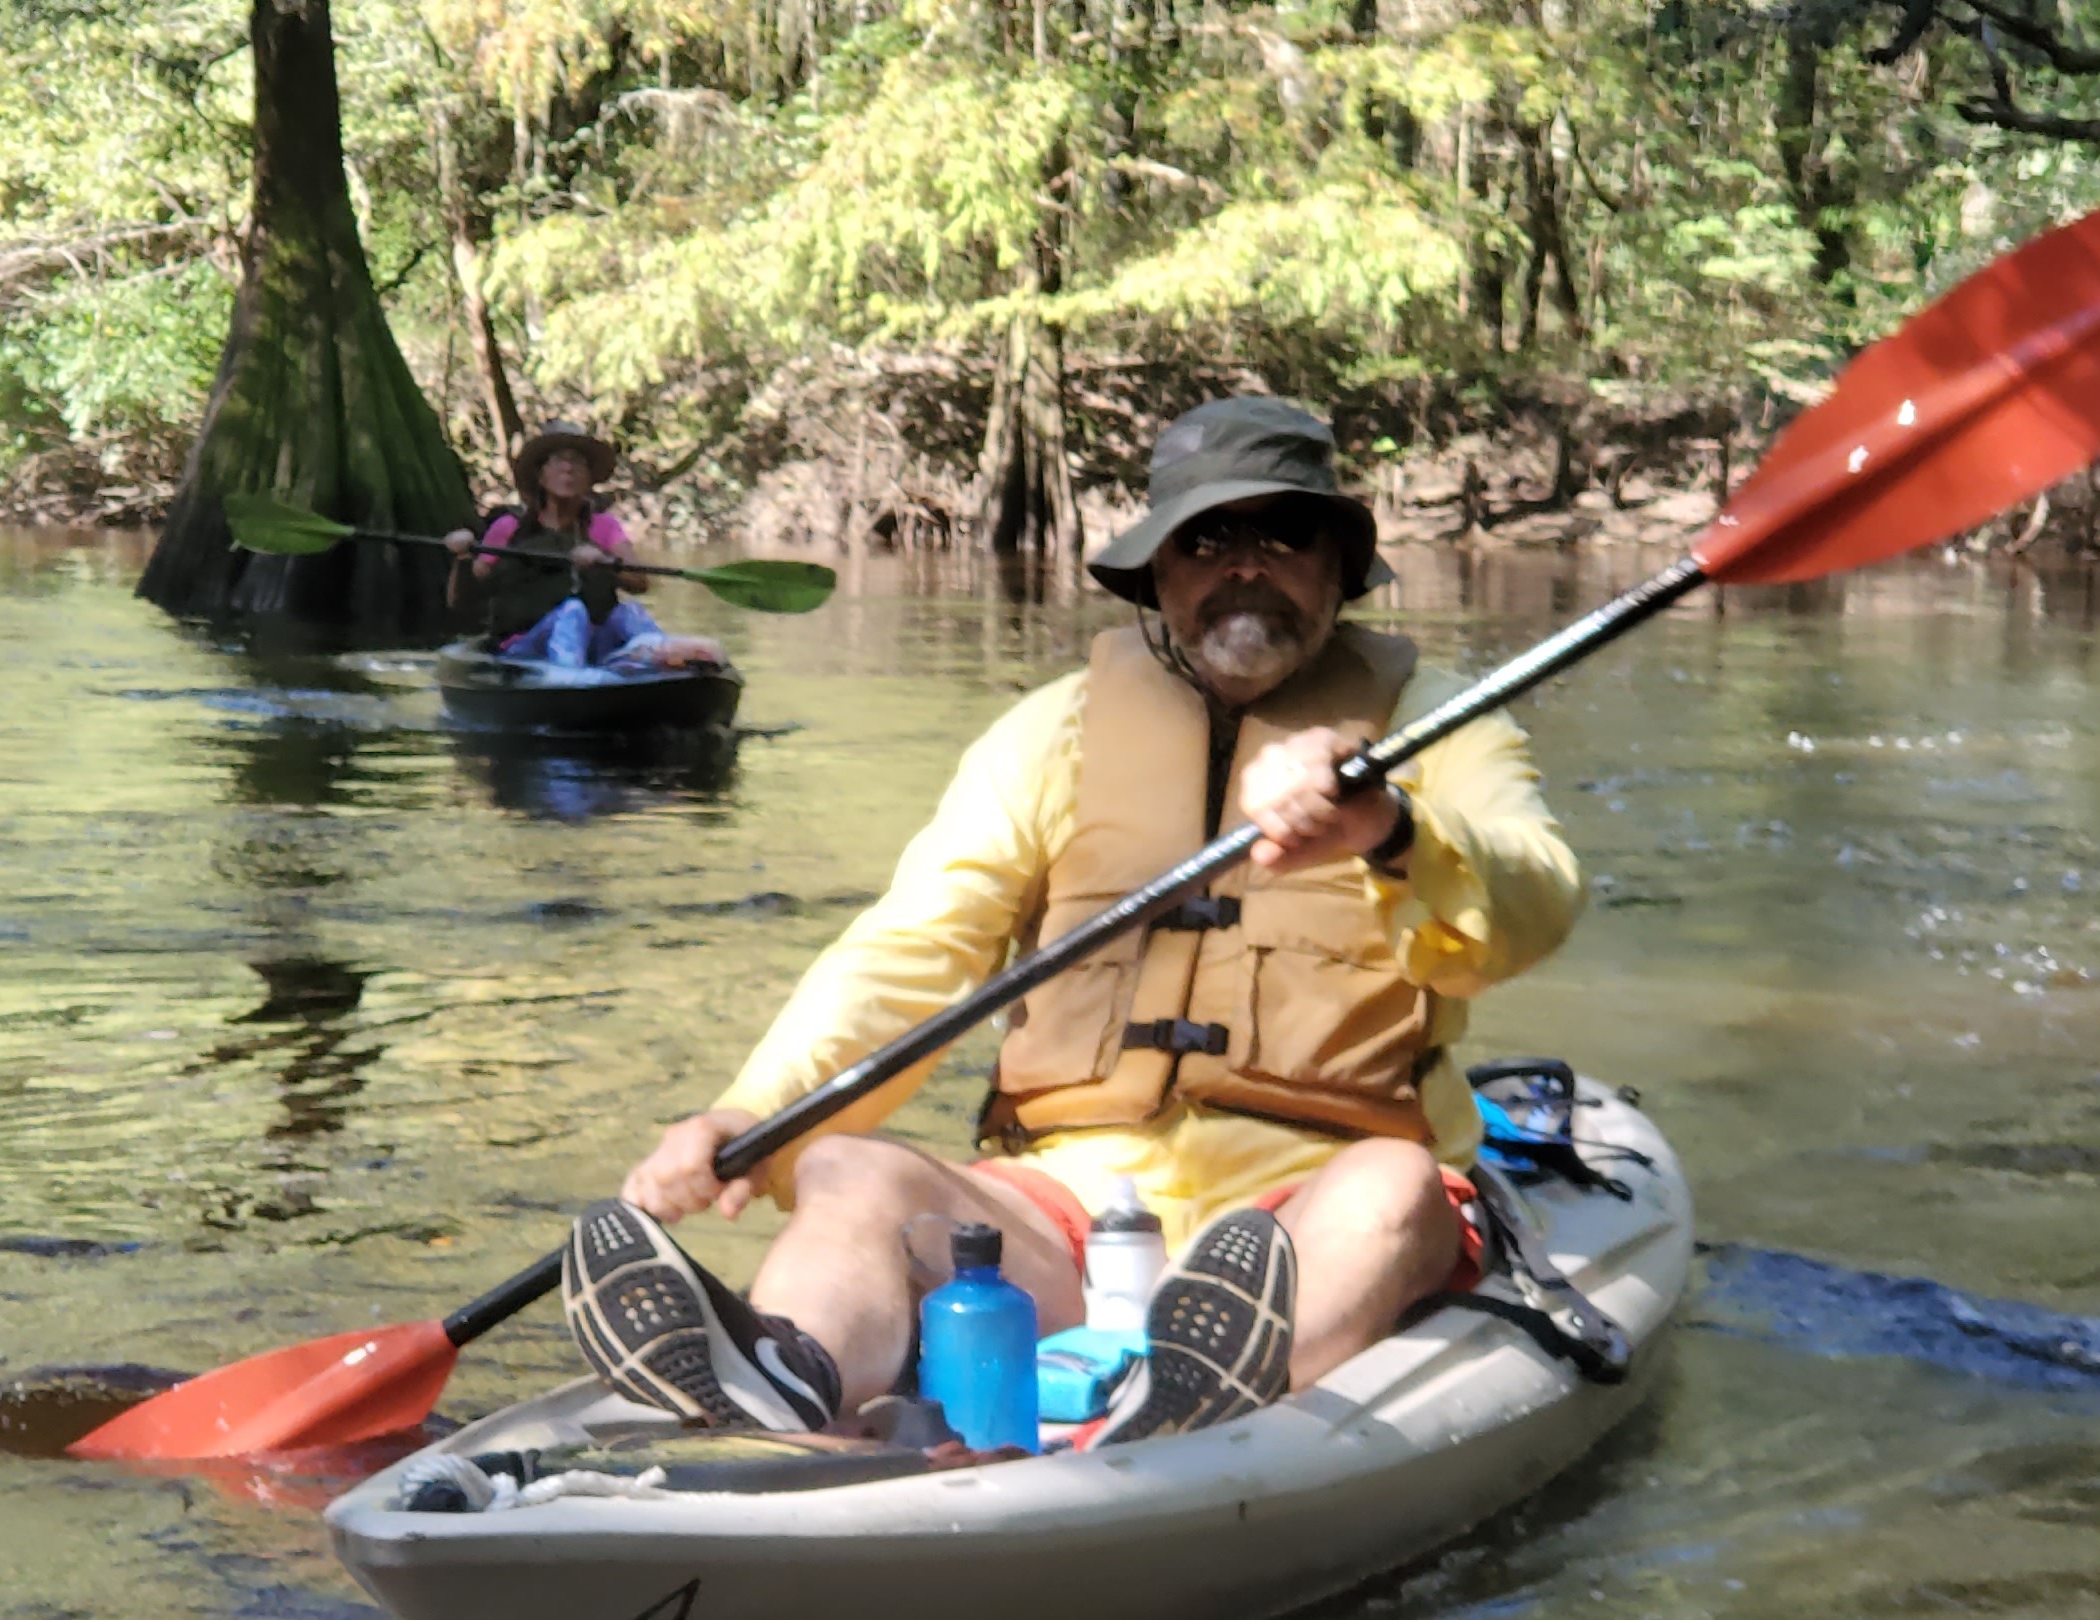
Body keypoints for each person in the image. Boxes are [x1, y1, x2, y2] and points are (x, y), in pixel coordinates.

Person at [558, 396, 1585, 1445]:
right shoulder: (1049, 735)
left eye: (1281, 536)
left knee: (1397, 1186)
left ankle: (1214, 1395)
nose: (1243, 567)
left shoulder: (1439, 726)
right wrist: (755, 1109)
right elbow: (914, 947)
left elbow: (1537, 903)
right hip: (1068, 1214)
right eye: (1206, 540)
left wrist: (1391, 827)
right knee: (845, 1168)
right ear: (1158, 574)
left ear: (1337, 566)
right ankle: (787, 1387)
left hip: (1316, 1200)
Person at [442, 424, 724, 671]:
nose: (568, 468)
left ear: (589, 478)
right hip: (524, 648)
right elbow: (460, 600)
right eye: (558, 461)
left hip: (593, 643)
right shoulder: (508, 528)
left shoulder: (604, 527)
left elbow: (640, 582)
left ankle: (666, 659)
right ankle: (569, 681)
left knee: (629, 612)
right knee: (573, 612)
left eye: (578, 462)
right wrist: (463, 557)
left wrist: (604, 562)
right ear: (541, 475)